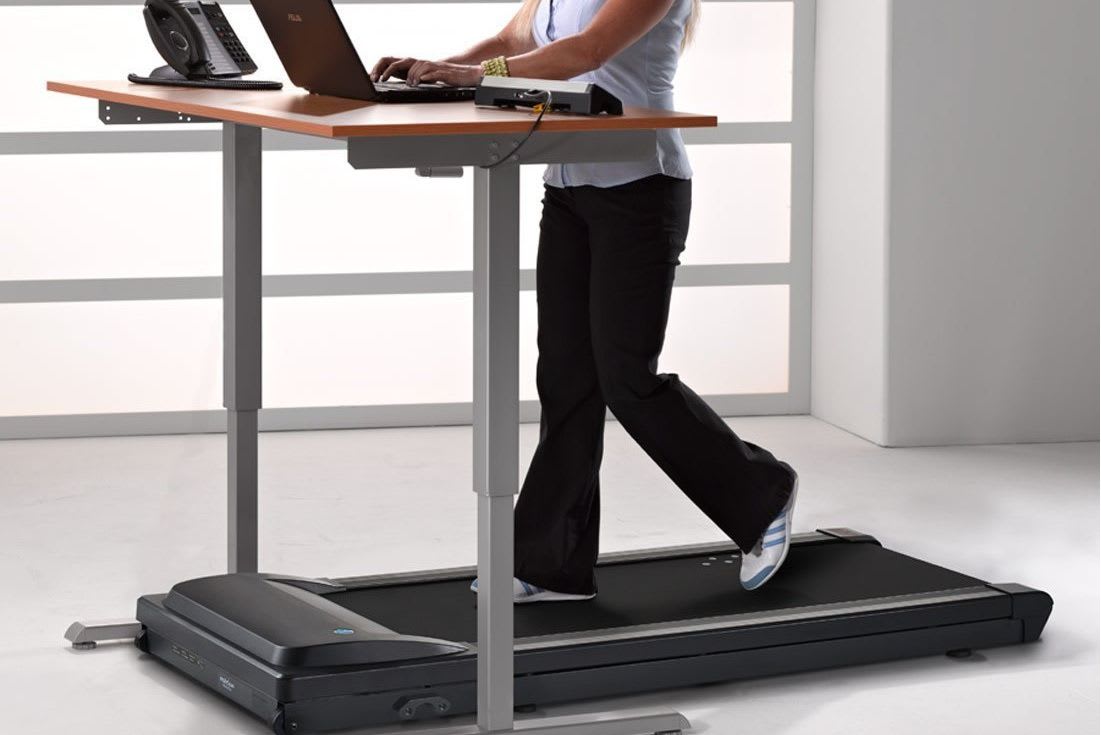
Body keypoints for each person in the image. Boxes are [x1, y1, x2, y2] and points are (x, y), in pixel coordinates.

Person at [371, 0, 799, 603]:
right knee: (568, 379)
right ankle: (552, 565)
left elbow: (584, 54)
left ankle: (762, 493)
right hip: (569, 188)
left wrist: (479, 77)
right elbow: (510, 37)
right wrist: (435, 68)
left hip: (641, 190)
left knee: (627, 378)